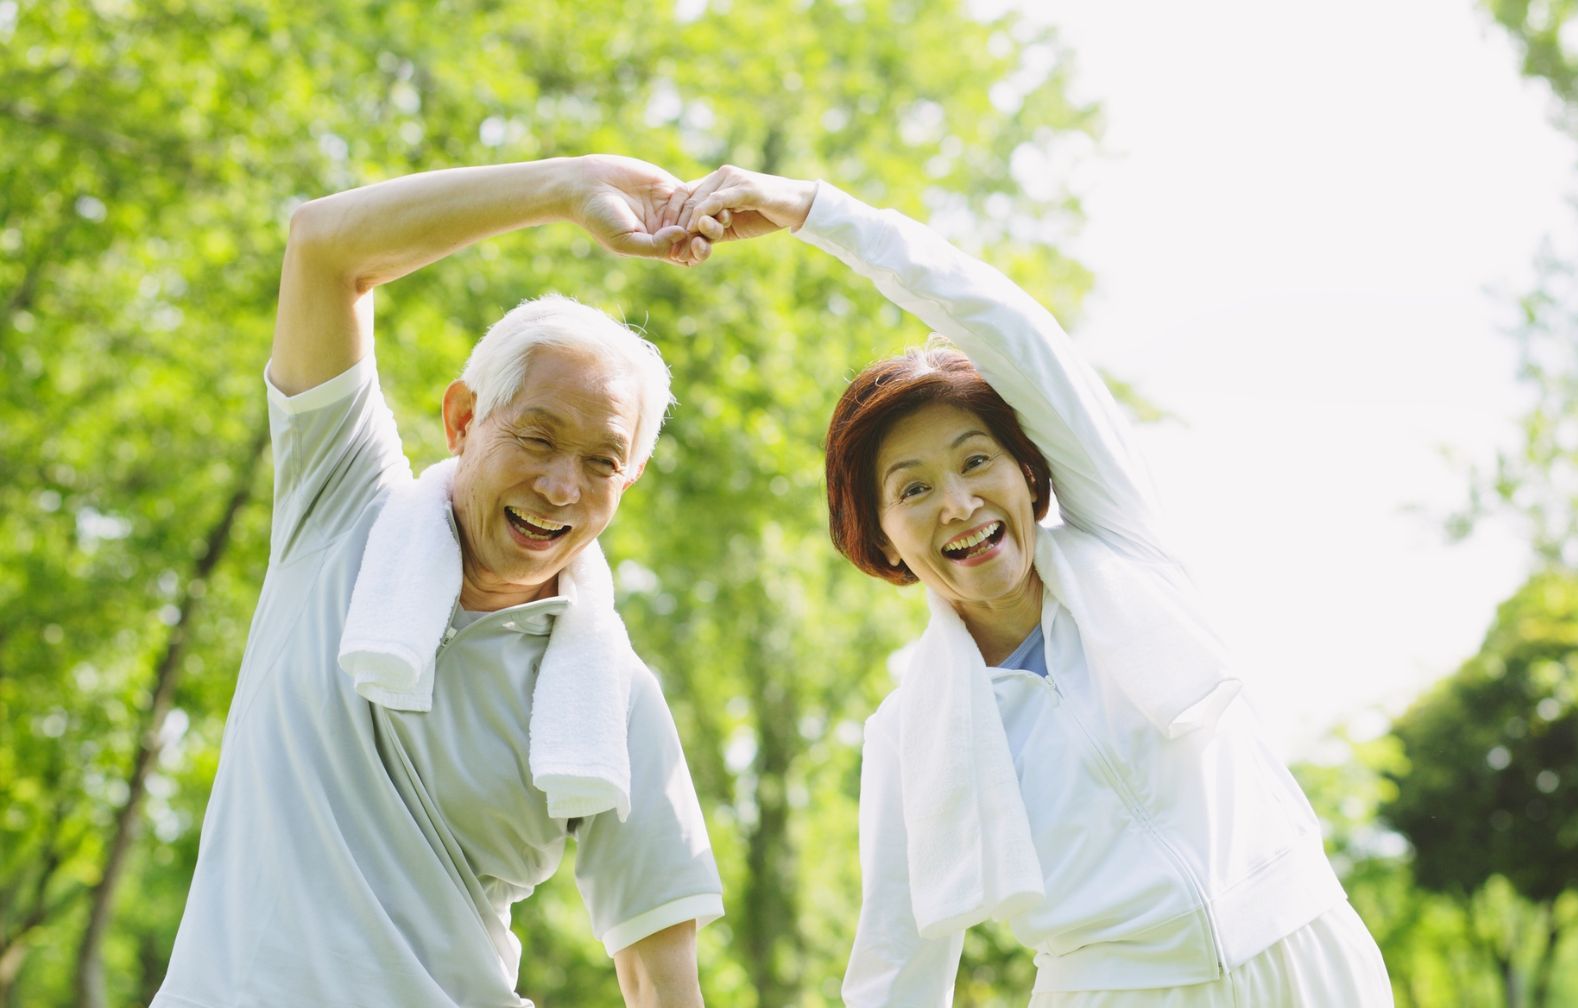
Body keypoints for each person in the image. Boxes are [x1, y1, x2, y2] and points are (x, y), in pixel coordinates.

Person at [669, 167, 1396, 1006]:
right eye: (914, 489)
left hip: (1308, 960)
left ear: (1028, 471)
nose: (958, 504)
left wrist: (817, 213)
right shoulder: (910, 733)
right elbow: (896, 968)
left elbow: (1012, 330)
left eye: (976, 461)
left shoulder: (1128, 550)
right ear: (883, 536)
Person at [154, 156, 728, 1008]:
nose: (561, 487)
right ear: (463, 418)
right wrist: (571, 189)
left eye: (601, 462)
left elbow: (658, 977)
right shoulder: (343, 509)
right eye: (537, 438)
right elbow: (323, 246)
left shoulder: (615, 698)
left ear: (629, 478)